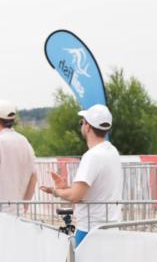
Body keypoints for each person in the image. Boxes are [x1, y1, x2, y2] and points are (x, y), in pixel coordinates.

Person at [40, 104, 122, 245]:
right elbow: (94, 191)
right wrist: (66, 188)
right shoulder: (112, 151)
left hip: (90, 230)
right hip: (112, 227)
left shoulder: (92, 156)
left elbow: (75, 196)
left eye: (82, 122)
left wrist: (56, 191)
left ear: (88, 127)